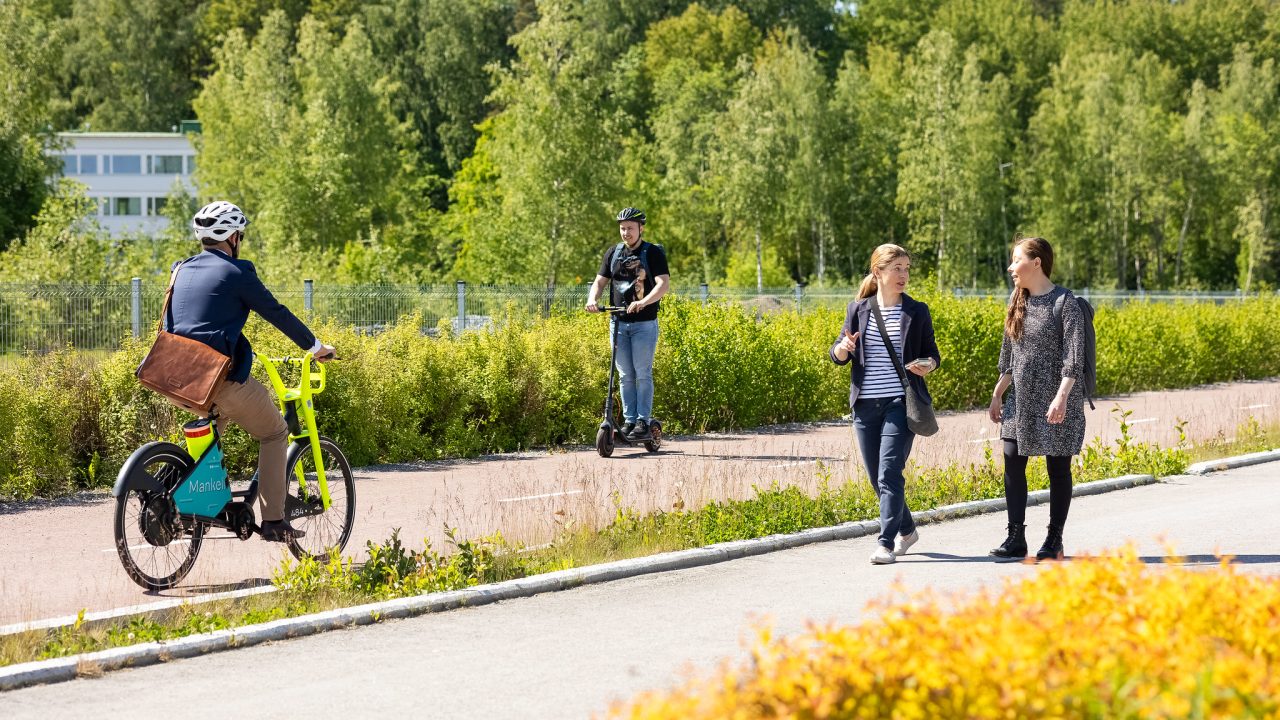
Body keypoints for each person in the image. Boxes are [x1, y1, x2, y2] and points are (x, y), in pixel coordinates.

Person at [167, 201, 335, 542]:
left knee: (210, 435)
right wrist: (315, 348)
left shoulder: (180, 269)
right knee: (274, 432)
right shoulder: (236, 273)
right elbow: (277, 313)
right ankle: (273, 520)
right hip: (218, 379)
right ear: (232, 237)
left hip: (177, 378)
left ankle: (187, 503)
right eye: (239, 235)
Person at [830, 244, 940, 565]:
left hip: (900, 403)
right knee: (876, 475)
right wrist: (843, 348)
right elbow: (837, 352)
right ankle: (907, 530)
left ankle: (885, 542)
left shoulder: (916, 311)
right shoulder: (858, 309)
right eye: (897, 268)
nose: (904, 274)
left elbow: (933, 354)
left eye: (907, 268)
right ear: (878, 271)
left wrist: (928, 365)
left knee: (890, 472)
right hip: (864, 405)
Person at [987, 236, 1086, 562]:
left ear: (1037, 263)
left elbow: (1075, 358)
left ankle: (1054, 538)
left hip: (1056, 399)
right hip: (1021, 399)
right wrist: (998, 393)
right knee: (1012, 460)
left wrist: (1060, 398)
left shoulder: (1064, 302)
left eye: (1016, 260)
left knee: (1058, 468)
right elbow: (1009, 357)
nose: (1011, 267)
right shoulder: (1017, 301)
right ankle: (1016, 536)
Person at [585, 207, 671, 440]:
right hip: (618, 323)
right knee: (624, 374)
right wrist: (592, 300)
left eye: (630, 229)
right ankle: (629, 421)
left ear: (641, 228)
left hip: (644, 323)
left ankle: (643, 420)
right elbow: (599, 282)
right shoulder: (614, 252)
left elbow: (663, 285)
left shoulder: (652, 252)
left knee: (642, 373)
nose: (626, 233)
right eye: (623, 229)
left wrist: (643, 301)